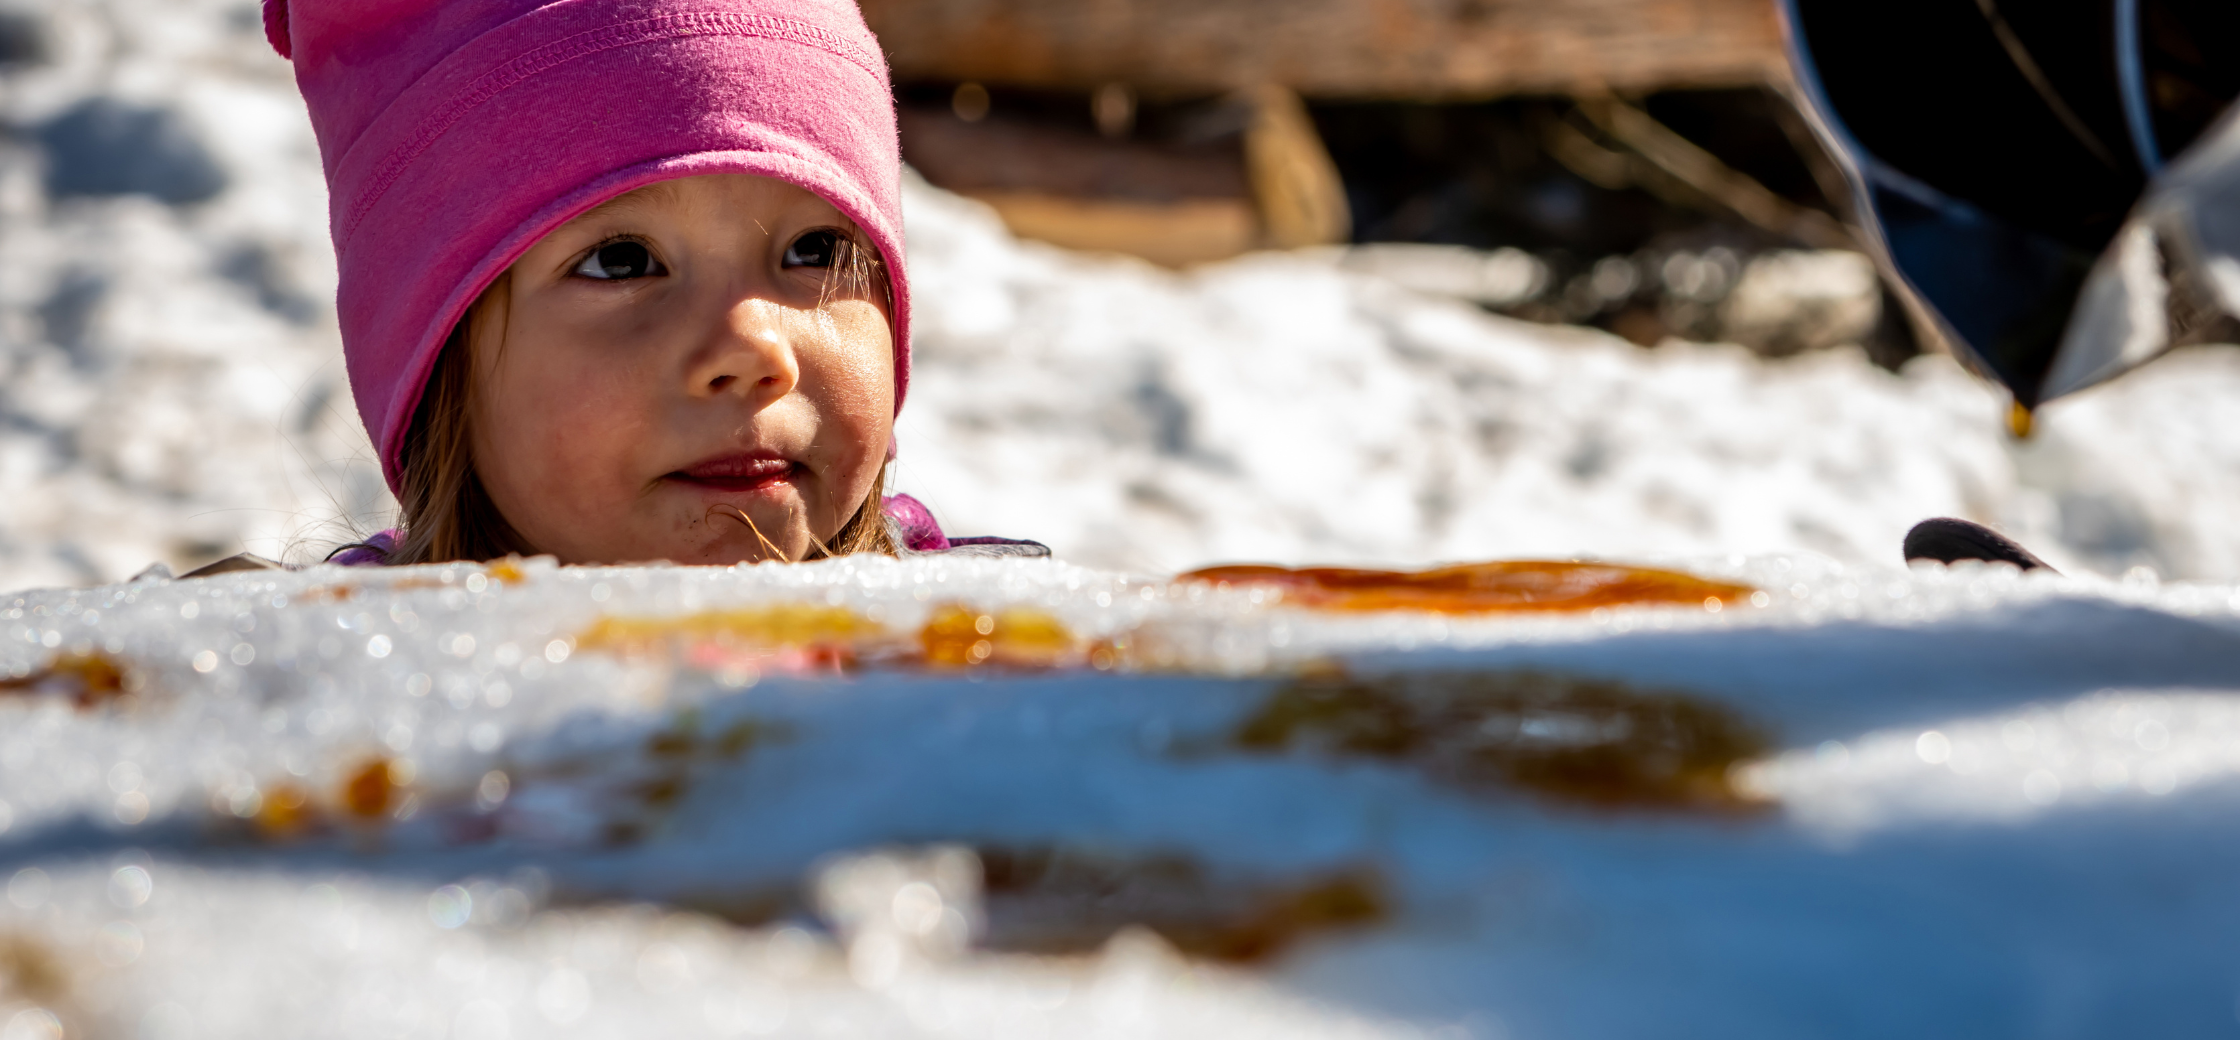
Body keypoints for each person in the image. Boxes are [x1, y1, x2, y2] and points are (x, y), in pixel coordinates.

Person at [226, 0, 1039, 576]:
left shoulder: (971, 659)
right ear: (442, 367)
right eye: (623, 261)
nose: (753, 347)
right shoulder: (347, 681)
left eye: (817, 248)